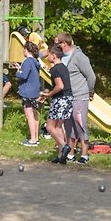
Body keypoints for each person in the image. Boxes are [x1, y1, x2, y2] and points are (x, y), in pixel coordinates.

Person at [55, 32, 96, 164]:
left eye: (57, 44)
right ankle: (70, 153)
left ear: (64, 44)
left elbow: (91, 76)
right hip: (67, 97)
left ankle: (84, 155)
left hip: (80, 96)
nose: (56, 46)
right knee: (68, 126)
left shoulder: (79, 57)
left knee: (80, 125)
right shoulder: (62, 57)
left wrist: (90, 92)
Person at [38, 45, 73, 164]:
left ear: (54, 55)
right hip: (68, 98)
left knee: (49, 127)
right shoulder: (63, 67)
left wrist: (49, 94)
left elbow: (60, 86)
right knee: (58, 127)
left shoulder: (54, 70)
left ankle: (64, 146)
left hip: (60, 100)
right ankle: (60, 156)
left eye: (48, 54)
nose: (47, 56)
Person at [13, 41, 41, 146]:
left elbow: (23, 76)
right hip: (35, 91)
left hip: (27, 92)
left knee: (29, 116)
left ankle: (32, 139)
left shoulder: (27, 61)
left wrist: (17, 71)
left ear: (26, 50)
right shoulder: (35, 61)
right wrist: (20, 68)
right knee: (35, 114)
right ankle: (36, 137)